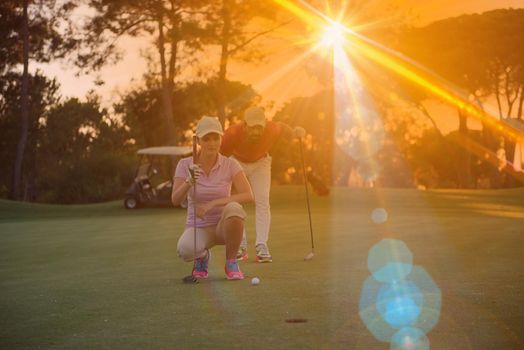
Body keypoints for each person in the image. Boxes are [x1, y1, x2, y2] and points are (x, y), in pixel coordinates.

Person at [171, 116, 254, 280]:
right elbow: (175, 200)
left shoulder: (230, 164)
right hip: (199, 228)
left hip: (224, 226)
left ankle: (231, 263)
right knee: (185, 250)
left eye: (216, 138)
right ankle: (202, 257)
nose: (212, 143)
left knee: (235, 208)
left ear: (221, 139)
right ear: (198, 141)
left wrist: (214, 203)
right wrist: (189, 181)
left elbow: (248, 195)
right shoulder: (184, 164)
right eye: (206, 138)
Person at [220, 106, 306, 262]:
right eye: (252, 128)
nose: (256, 132)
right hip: (237, 161)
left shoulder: (272, 128)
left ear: (265, 124)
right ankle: (240, 244)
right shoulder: (232, 133)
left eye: (260, 127)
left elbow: (284, 128)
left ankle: (261, 245)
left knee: (262, 201)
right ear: (244, 125)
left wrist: (296, 132)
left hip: (261, 162)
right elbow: (220, 155)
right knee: (235, 201)